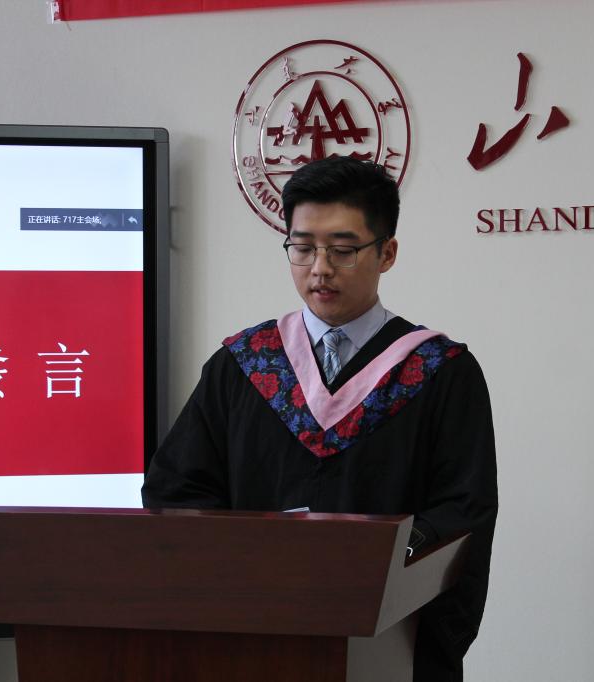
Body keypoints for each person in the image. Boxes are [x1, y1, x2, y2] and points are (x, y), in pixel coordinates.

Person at [141, 155, 498, 681]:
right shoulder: (243, 365)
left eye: (343, 249)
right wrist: (248, 566)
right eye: (303, 247)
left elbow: (464, 512)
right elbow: (177, 490)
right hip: (252, 640)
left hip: (386, 641)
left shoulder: (439, 371)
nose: (320, 268)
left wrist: (376, 566)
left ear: (387, 253)